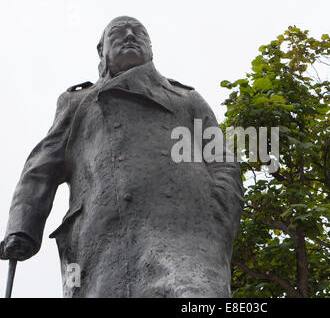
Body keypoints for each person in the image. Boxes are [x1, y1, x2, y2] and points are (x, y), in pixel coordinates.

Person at [0, 16, 243, 297]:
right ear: (102, 51)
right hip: (103, 237)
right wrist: (22, 229)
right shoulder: (79, 102)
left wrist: (218, 212)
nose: (130, 35)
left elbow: (223, 161)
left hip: (187, 235)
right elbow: (40, 169)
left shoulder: (186, 98)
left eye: (139, 31)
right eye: (118, 32)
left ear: (151, 48)